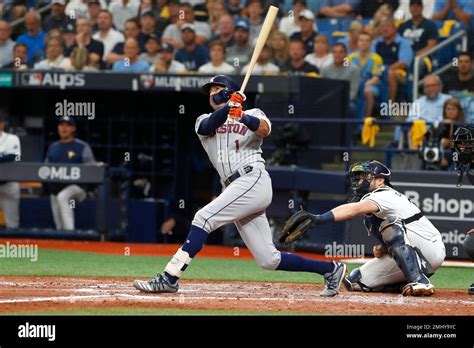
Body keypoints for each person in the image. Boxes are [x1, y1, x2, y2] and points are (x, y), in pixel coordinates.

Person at [133, 75, 347, 297]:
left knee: (203, 218)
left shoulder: (253, 113)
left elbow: (264, 129)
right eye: (210, 91)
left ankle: (170, 277)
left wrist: (241, 115)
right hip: (234, 188)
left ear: (232, 91)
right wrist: (228, 108)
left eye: (217, 88)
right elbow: (209, 126)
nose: (212, 93)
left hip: (252, 179)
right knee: (269, 260)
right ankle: (331, 269)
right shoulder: (203, 119)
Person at [285, 160, 446, 296]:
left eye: (366, 176)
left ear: (380, 181)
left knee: (391, 223)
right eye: (359, 177)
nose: (360, 180)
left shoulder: (384, 193)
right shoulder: (372, 206)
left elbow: (352, 210)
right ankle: (407, 286)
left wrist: (318, 219)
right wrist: (383, 248)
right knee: (356, 280)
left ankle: (420, 281)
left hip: (430, 248)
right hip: (416, 252)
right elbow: (400, 240)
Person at [45, 116, 96, 231]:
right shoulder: (53, 147)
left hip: (77, 187)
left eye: (67, 125)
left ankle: (71, 234)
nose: (63, 128)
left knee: (62, 197)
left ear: (73, 128)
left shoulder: (82, 146)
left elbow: (92, 169)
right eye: (61, 125)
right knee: (59, 225)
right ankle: (63, 239)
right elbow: (45, 168)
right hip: (55, 188)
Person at [372, 17, 413, 103]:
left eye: (387, 26)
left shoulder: (403, 42)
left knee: (390, 74)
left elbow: (403, 63)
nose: (384, 29)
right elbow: (371, 58)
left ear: (395, 28)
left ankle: (390, 105)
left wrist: (386, 69)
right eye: (382, 27)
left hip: (400, 73)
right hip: (378, 70)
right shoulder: (376, 42)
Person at [348, 31, 384, 117]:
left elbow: (376, 78)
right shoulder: (349, 57)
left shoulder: (377, 58)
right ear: (357, 43)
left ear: (371, 43)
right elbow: (345, 73)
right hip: (353, 83)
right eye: (361, 40)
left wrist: (363, 85)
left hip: (370, 84)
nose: (364, 43)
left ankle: (365, 120)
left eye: (367, 41)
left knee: (367, 91)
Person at [398, 0, 437, 69]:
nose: (415, 8)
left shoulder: (430, 25)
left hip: (422, 57)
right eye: (412, 6)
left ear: (422, 8)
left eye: (418, 6)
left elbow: (432, 45)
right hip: (403, 56)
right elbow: (397, 43)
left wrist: (415, 55)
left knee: (418, 64)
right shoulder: (403, 26)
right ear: (409, 8)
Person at [0, 111, 21, 229]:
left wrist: (4, 157)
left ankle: (12, 247)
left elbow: (14, 157)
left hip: (9, 185)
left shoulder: (13, 138)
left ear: (3, 124)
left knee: (12, 225)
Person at [438, 98, 465, 169]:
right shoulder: (440, 124)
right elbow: (439, 142)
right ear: (444, 111)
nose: (450, 111)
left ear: (458, 111)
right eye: (448, 109)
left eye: (453, 109)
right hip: (442, 153)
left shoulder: (464, 126)